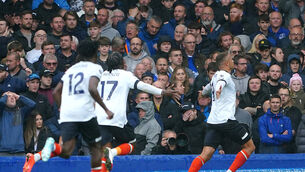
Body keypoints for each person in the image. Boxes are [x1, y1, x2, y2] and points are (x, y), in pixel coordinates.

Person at [23, 40, 114, 172]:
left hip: (68, 113)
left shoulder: (72, 69)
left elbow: (55, 92)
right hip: (85, 113)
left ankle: (53, 146)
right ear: (94, 54)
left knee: (66, 151)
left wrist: (61, 107)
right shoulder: (96, 67)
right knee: (96, 148)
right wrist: (106, 109)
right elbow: (92, 89)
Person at [94, 52, 178, 171]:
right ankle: (113, 152)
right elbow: (143, 86)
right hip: (116, 117)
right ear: (122, 64)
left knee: (104, 148)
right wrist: (162, 92)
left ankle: (109, 158)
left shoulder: (101, 75)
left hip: (100, 117)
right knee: (133, 143)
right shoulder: (125, 75)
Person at [188, 52, 255, 172]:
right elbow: (221, 83)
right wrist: (219, 89)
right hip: (227, 121)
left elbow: (208, 88)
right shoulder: (225, 75)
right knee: (250, 147)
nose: (233, 60)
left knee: (206, 154)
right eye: (231, 59)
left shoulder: (215, 76)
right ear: (226, 63)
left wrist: (203, 93)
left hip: (214, 122)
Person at [0, 91, 36, 156]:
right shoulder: (1, 112)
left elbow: (32, 104)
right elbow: (1, 103)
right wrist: (5, 96)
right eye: (9, 96)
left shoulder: (20, 112)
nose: (12, 98)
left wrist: (19, 97)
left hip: (20, 151)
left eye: (13, 97)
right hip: (4, 151)